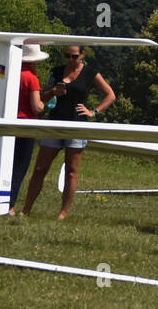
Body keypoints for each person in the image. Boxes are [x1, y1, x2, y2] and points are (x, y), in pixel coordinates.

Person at [21, 44, 115, 219]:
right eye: (67, 56)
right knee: (40, 168)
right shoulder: (56, 72)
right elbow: (41, 96)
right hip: (55, 123)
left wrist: (93, 112)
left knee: (71, 171)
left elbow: (110, 95)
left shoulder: (90, 73)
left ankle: (63, 213)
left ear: (82, 55)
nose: (70, 60)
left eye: (74, 56)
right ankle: (26, 209)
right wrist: (52, 92)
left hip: (77, 125)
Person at [8, 43, 47, 214]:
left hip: (9, 123)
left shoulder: (11, 72)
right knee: (19, 167)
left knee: (7, 164)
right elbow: (36, 107)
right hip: (26, 126)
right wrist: (44, 104)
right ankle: (9, 205)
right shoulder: (31, 78)